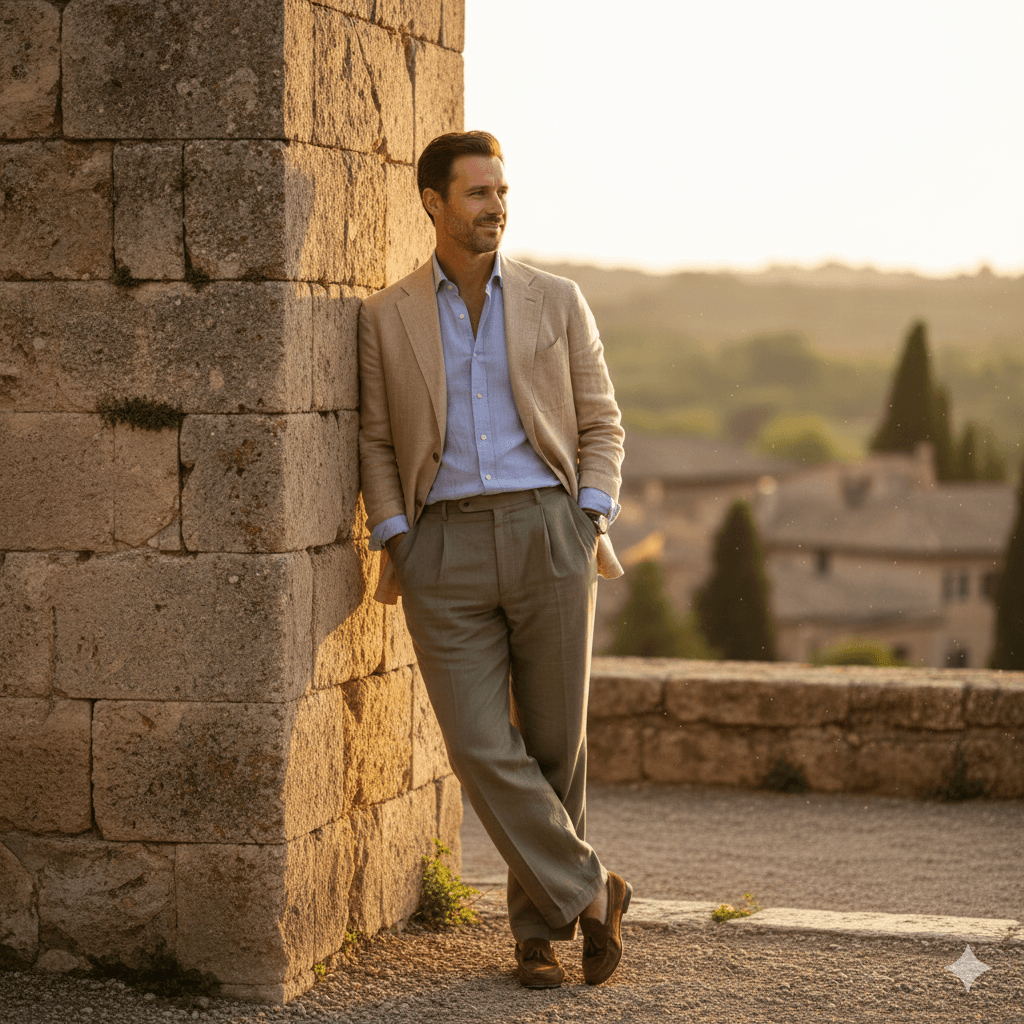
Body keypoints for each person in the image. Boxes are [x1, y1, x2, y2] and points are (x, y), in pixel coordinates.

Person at [357, 130, 630, 989]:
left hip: (550, 530)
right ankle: (592, 892)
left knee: (556, 744)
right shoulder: (386, 314)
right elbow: (372, 439)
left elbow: (602, 424)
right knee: (478, 743)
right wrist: (399, 535)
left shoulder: (557, 300)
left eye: (502, 193)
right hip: (441, 547)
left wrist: (588, 515)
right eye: (477, 194)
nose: (496, 208)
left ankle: (539, 936)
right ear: (434, 203)